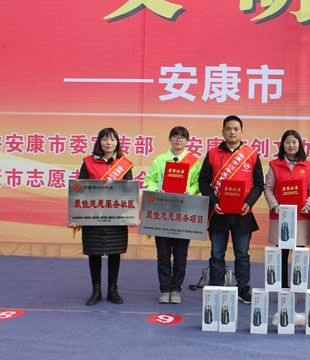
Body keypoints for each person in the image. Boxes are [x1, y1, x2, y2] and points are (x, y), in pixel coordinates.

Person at [198, 115, 264, 304]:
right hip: (219, 212)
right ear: (223, 132)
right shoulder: (212, 154)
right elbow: (203, 182)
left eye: (236, 129)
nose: (232, 132)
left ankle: (243, 289)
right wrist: (213, 202)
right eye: (228, 129)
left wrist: (249, 202)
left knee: (242, 254)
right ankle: (216, 288)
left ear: (242, 132)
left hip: (243, 213)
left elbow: (259, 184)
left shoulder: (251, 155)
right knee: (217, 254)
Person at [71, 127, 133, 306]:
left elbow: (129, 190)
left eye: (112, 139)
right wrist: (76, 216)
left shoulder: (124, 164)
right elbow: (79, 189)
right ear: (99, 142)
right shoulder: (88, 162)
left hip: (116, 216)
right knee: (94, 252)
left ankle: (113, 290)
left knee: (115, 252)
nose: (109, 143)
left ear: (117, 142)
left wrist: (129, 213)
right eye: (105, 139)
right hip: (93, 215)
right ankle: (96, 290)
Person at [144, 126, 201, 304]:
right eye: (175, 136)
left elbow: (198, 183)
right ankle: (164, 289)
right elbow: (149, 180)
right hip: (162, 211)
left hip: (183, 213)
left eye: (182, 137)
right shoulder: (160, 160)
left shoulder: (194, 162)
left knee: (180, 255)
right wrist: (156, 190)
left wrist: (190, 190)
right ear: (170, 139)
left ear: (187, 141)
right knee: (163, 254)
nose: (178, 139)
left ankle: (176, 289)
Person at [264, 130, 310, 288]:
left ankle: (296, 288)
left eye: (294, 142)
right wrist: (275, 206)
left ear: (299, 144)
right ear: (282, 145)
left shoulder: (308, 166)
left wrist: (309, 204)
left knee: (298, 255)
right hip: (280, 217)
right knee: (281, 254)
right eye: (287, 142)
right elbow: (268, 188)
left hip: (301, 217)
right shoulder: (274, 165)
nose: (291, 145)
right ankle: (282, 288)